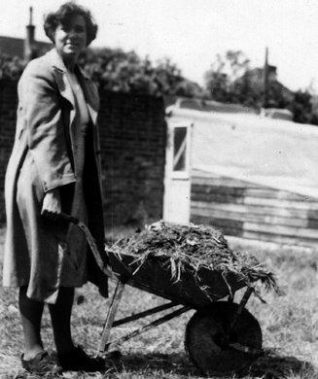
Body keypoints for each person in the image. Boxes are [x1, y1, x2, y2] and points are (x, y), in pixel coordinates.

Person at [2, 2, 109, 374]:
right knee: (37, 262)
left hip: (72, 183)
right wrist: (52, 189)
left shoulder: (81, 79)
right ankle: (32, 352)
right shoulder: (39, 72)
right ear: (52, 33)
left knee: (67, 266)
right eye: (63, 28)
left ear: (88, 37)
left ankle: (66, 349)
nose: (71, 35)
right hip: (40, 179)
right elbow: (45, 135)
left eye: (79, 29)